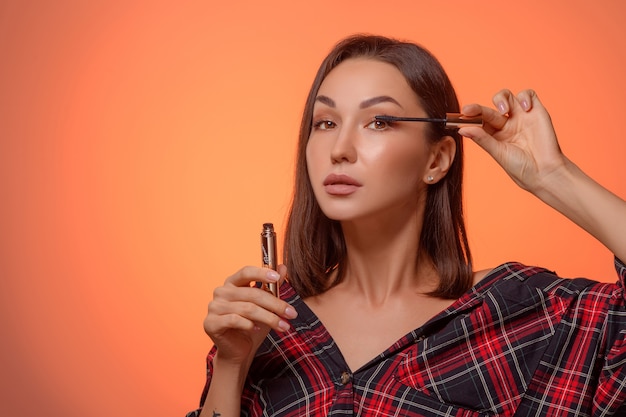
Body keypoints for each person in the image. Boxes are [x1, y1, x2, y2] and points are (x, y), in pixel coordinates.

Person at [186, 34, 626, 416]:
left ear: (436, 160)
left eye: (378, 122)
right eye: (325, 122)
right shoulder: (265, 325)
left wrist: (553, 176)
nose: (340, 148)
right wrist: (230, 365)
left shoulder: (529, 317)